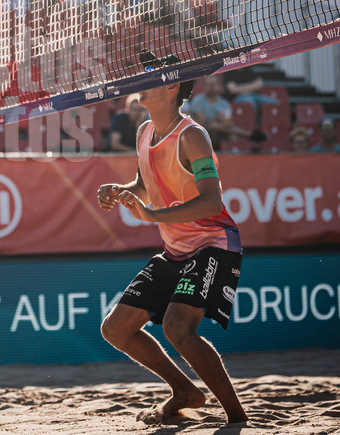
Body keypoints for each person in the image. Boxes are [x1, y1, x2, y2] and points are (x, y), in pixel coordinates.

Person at [96, 51, 246, 427]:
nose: (142, 78)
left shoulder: (193, 136)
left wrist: (154, 215)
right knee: (115, 328)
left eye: (152, 74)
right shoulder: (144, 132)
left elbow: (212, 200)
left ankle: (237, 418)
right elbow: (146, 185)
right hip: (176, 249)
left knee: (177, 328)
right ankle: (184, 391)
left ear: (172, 86)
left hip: (213, 242)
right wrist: (122, 190)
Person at [184, 74, 259, 151]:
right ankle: (248, 134)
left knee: (232, 136)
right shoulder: (197, 101)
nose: (211, 87)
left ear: (219, 86)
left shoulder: (224, 103)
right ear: (204, 86)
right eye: (209, 85)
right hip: (202, 132)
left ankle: (231, 158)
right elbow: (200, 123)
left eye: (213, 85)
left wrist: (222, 121)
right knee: (214, 126)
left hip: (221, 131)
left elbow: (229, 124)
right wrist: (217, 119)